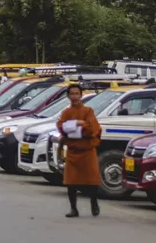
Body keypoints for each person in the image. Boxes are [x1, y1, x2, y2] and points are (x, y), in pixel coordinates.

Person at [57, 83, 101, 217]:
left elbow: (91, 129)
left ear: (81, 95)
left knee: (92, 181)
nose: (74, 96)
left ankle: (94, 202)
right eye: (72, 94)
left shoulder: (88, 111)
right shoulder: (66, 112)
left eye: (77, 94)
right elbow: (61, 127)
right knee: (70, 182)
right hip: (72, 151)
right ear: (68, 96)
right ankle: (73, 209)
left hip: (87, 150)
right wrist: (77, 123)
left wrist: (71, 128)